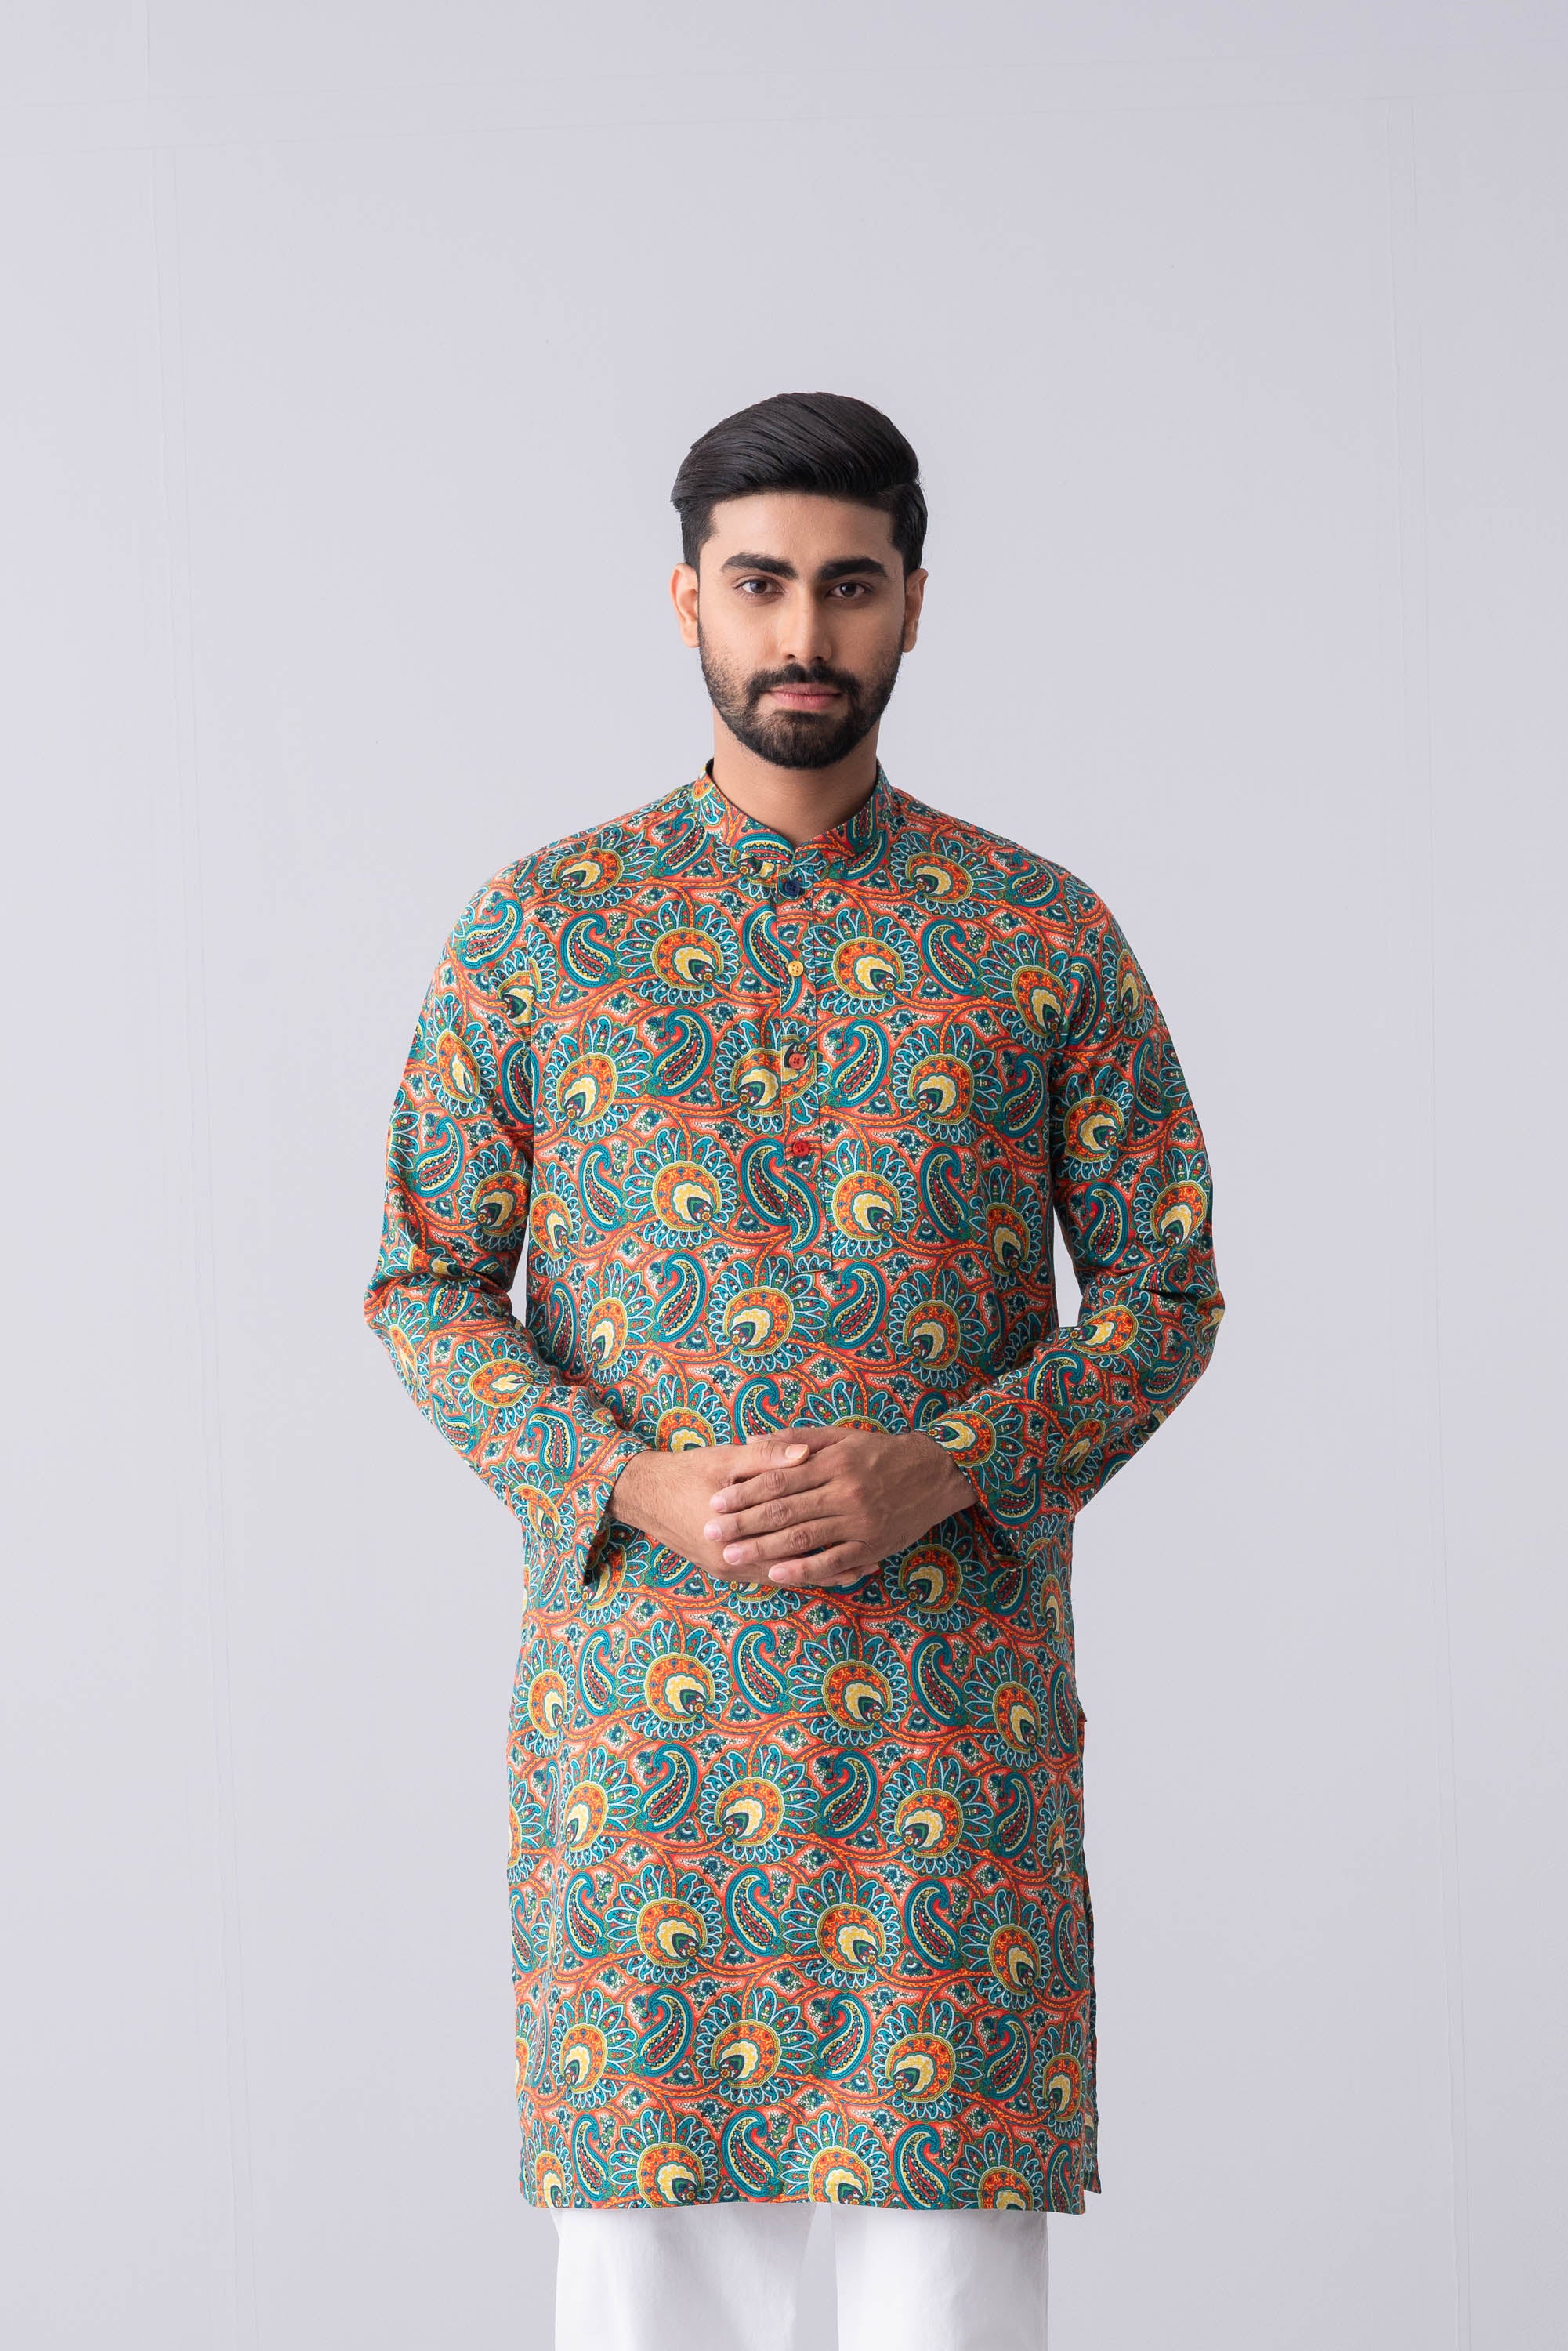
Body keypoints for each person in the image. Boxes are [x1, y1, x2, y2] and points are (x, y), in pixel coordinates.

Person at [364, 391, 1225, 2351]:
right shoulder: (544, 931)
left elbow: (1163, 1289)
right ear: (687, 600)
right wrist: (620, 1477)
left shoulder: (1034, 933)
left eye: (847, 586)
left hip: (941, 1745)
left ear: (913, 602)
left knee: (944, 2297)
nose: (802, 633)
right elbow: (425, 1282)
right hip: (644, 1748)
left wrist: (953, 1462)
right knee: (646, 2295)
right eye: (759, 585)